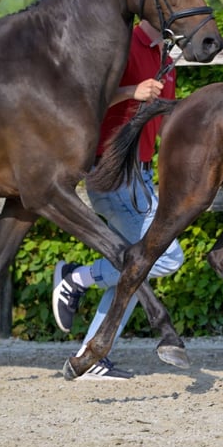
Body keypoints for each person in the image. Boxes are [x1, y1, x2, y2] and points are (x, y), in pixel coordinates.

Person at [51, 19, 184, 380]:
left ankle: (92, 355)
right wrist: (131, 91)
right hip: (112, 173)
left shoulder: (165, 55)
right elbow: (81, 98)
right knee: (166, 256)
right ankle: (77, 278)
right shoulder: (122, 44)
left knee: (133, 272)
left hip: (140, 175)